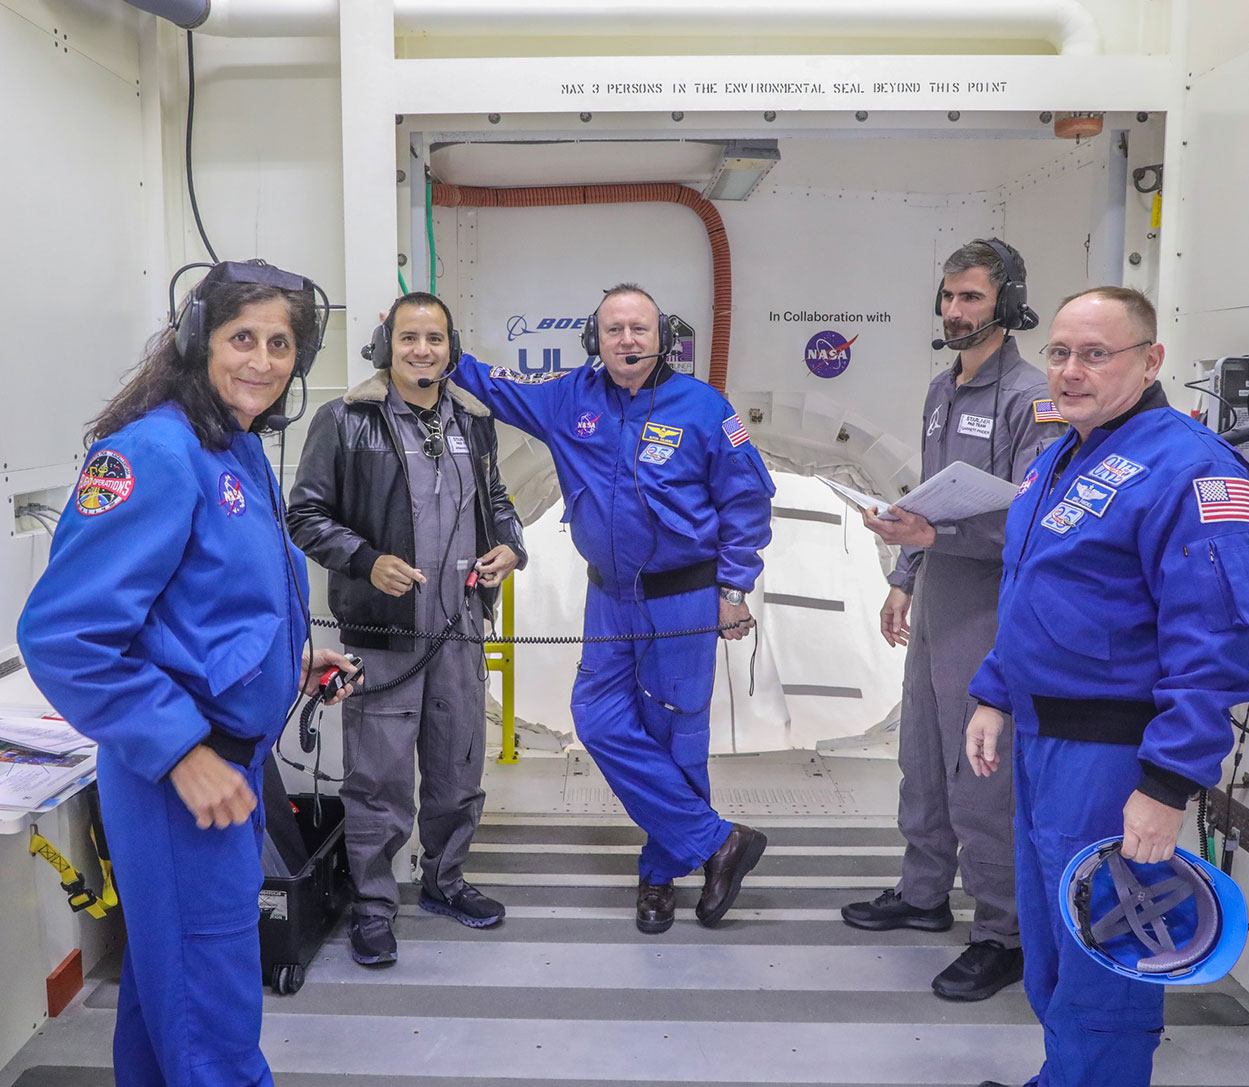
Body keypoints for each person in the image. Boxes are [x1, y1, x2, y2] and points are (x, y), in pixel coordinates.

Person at [17, 259, 360, 1087]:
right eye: (243, 338)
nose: (263, 360)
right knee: (213, 1025)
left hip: (226, 767)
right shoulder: (157, 452)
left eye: (281, 343)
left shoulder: (235, 445)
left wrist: (285, 657)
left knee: (164, 998)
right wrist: (180, 751)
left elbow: (206, 600)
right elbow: (65, 634)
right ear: (198, 340)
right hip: (181, 782)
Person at [965, 287, 1249, 1087]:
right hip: (1044, 740)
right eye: (1061, 352)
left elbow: (1217, 640)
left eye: (1096, 354)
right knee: (1055, 939)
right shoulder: (1061, 458)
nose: (1071, 370)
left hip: (1114, 755)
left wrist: (1166, 783)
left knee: (1105, 946)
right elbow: (1031, 589)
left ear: (1150, 360)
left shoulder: (1192, 469)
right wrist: (997, 692)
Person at [448, 283, 774, 934]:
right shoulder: (568, 398)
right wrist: (438, 350)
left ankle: (660, 875)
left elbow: (746, 502)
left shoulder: (705, 409)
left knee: (676, 736)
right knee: (596, 719)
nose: (627, 340)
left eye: (640, 329)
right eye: (614, 329)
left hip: (684, 598)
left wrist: (733, 591)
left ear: (663, 337)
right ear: (594, 340)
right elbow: (495, 386)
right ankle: (716, 841)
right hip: (609, 598)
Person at [843, 239, 1067, 1001]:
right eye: (947, 296)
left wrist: (932, 537)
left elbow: (1030, 524)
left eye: (970, 296)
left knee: (980, 774)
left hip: (991, 607)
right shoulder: (943, 389)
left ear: (1008, 303)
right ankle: (924, 891)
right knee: (922, 755)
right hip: (939, 592)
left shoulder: (1032, 399)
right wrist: (905, 574)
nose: (953, 310)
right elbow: (932, 496)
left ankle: (1002, 932)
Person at [287, 291, 526, 965]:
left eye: (435, 339)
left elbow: (497, 500)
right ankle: (372, 904)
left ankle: (445, 881)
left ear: (452, 349)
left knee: (458, 766)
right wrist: (367, 560)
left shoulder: (474, 421)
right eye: (409, 338)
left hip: (460, 628)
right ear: (386, 346)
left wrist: (511, 546)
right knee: (379, 778)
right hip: (385, 633)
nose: (423, 350)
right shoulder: (345, 420)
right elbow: (304, 515)